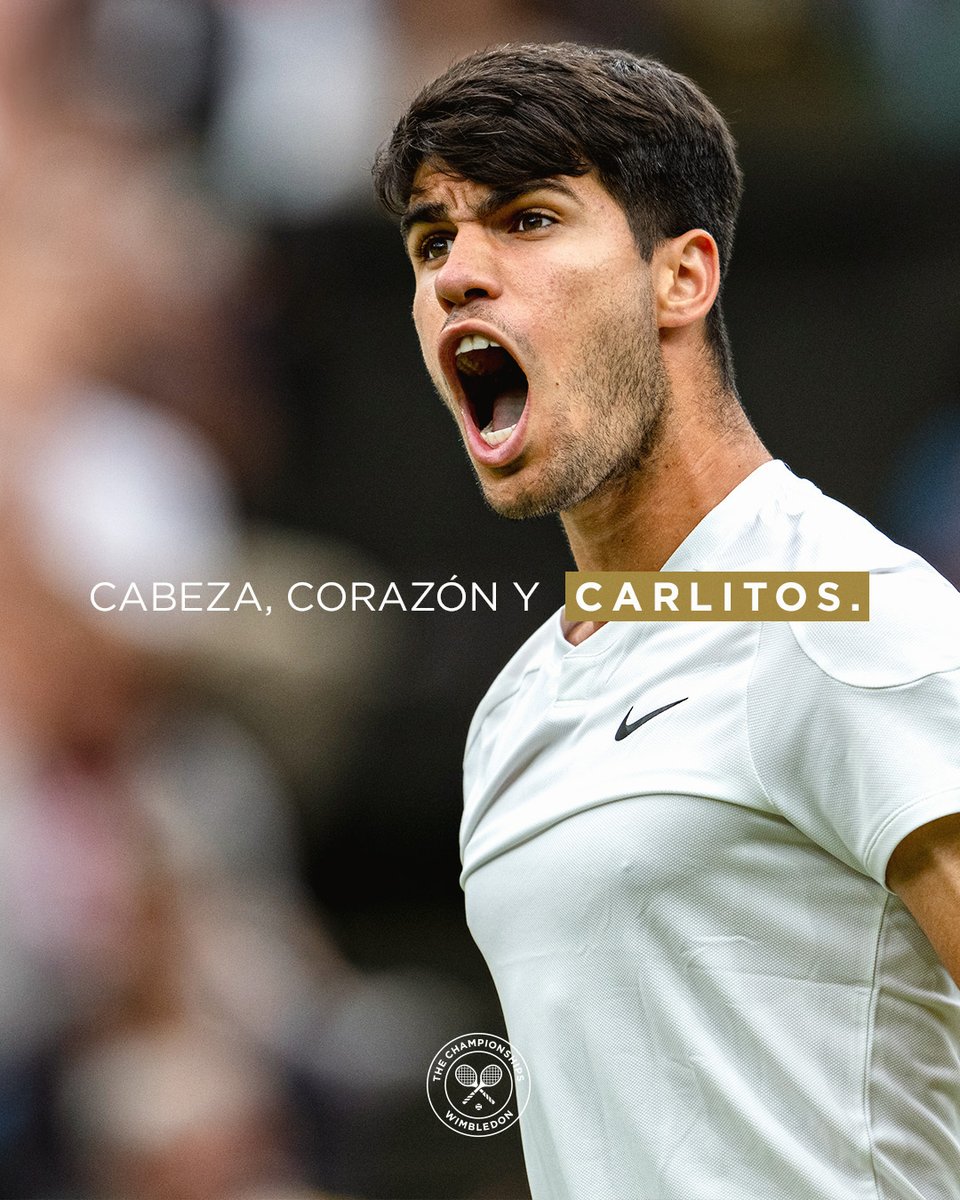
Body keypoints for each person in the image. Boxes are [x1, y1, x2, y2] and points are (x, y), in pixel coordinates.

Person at [373, 42, 960, 1200]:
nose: (457, 276)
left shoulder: (840, 613)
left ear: (680, 279)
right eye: (434, 242)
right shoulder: (516, 708)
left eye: (528, 220)